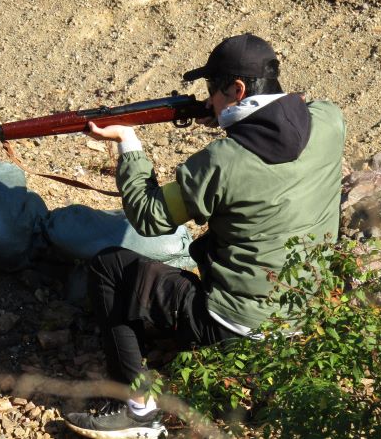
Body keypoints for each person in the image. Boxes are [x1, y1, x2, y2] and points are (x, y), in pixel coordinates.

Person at [63, 33, 346, 439]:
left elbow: (149, 218)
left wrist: (129, 143)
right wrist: (233, 119)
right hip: (301, 321)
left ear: (238, 89)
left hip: (231, 328)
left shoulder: (221, 162)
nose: (208, 99)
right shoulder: (330, 120)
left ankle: (138, 410)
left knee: (110, 266)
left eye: (213, 90)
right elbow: (294, 116)